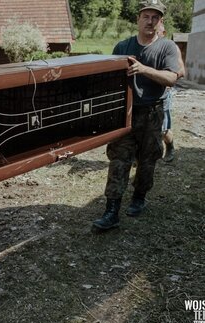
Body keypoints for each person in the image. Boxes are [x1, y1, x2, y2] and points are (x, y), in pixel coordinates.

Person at [92, 0, 180, 231]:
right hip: (126, 113)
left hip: (153, 112)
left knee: (147, 161)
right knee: (119, 159)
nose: (150, 21)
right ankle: (111, 211)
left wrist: (144, 69)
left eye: (155, 18)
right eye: (146, 16)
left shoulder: (167, 47)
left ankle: (139, 196)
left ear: (160, 21)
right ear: (138, 19)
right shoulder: (123, 46)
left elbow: (172, 78)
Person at [157, 23, 186, 162]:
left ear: (164, 32)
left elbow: (181, 70)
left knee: (162, 128)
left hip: (164, 92)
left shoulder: (172, 47)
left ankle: (170, 146)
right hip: (146, 94)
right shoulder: (146, 45)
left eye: (158, 31)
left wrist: (170, 77)